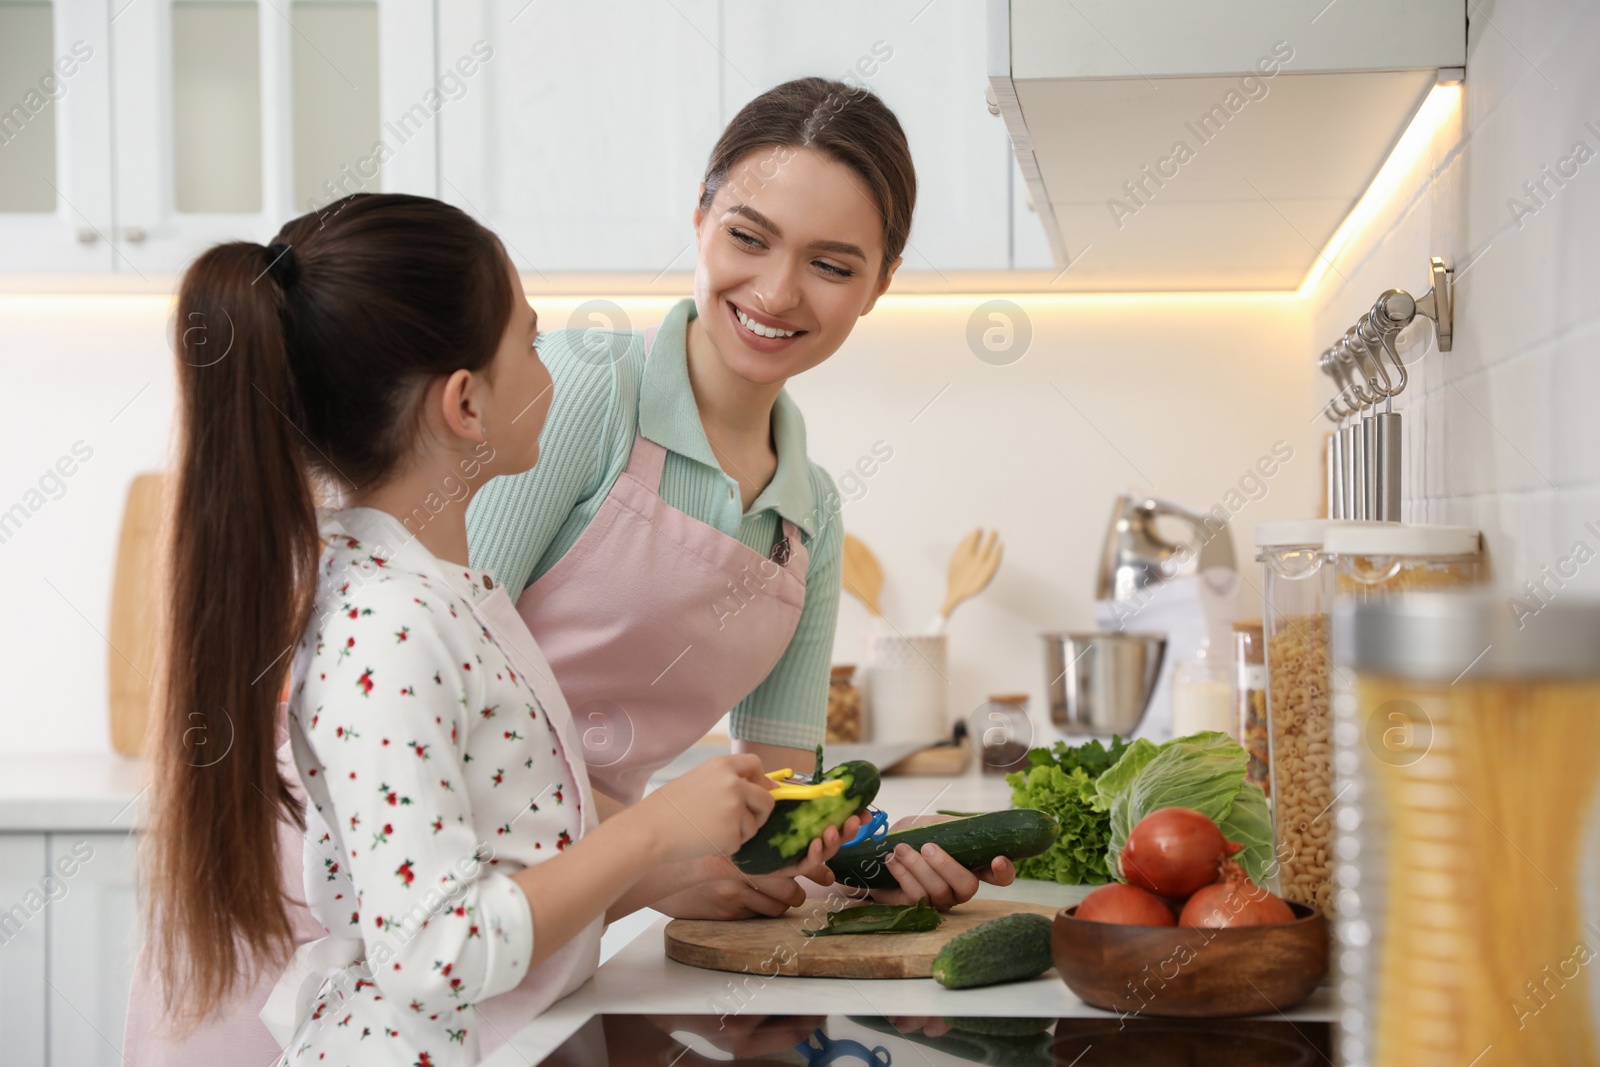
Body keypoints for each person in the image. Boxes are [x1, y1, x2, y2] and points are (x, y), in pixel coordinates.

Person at [135, 193, 796, 1065]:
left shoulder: (441, 596)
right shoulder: (391, 625)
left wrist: (664, 873)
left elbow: (504, 865)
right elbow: (436, 948)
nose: (548, 363)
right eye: (528, 341)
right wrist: (654, 828)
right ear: (467, 405)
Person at [468, 77, 1016, 916]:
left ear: (881, 283)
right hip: (403, 888)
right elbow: (441, 687)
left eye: (832, 265)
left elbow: (781, 809)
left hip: (557, 913)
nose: (775, 293)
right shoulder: (579, 389)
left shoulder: (813, 517)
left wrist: (891, 848)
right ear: (700, 217)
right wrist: (651, 862)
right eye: (748, 237)